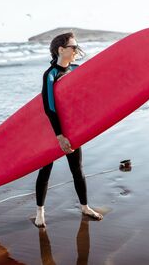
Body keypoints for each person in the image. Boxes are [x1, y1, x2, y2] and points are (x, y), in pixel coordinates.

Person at [35, 32, 103, 228]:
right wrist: (59, 136)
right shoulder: (50, 75)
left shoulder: (76, 69)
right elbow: (49, 107)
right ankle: (40, 211)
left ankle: (85, 207)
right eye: (73, 47)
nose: (76, 50)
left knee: (77, 169)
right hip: (53, 130)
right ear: (61, 50)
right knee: (45, 170)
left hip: (72, 130)